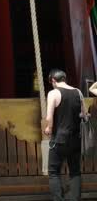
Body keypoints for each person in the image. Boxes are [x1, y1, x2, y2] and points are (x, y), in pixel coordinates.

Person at [44, 69, 84, 201]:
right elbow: (84, 114)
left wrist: (48, 128)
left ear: (53, 81)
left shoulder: (53, 93)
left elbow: (49, 116)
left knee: (54, 172)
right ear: (64, 78)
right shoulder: (78, 92)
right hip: (76, 138)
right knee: (75, 171)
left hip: (59, 139)